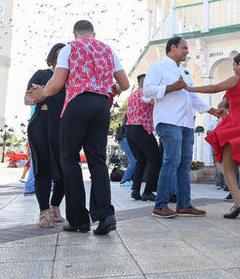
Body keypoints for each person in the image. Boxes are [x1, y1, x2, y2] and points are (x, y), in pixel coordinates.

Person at [26, 20, 130, 235]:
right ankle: (105, 215)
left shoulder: (70, 48)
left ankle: (78, 220)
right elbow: (125, 84)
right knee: (98, 160)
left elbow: (56, 85)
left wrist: (41, 94)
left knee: (70, 159)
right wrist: (113, 88)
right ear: (94, 34)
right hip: (102, 106)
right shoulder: (107, 49)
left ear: (75, 34)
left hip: (77, 103)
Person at [186, 51, 240, 219]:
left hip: (238, 121)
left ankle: (238, 204)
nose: (233, 68)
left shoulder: (237, 79)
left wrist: (189, 88)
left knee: (226, 164)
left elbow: (214, 88)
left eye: (234, 65)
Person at [143, 36, 225, 218]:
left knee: (184, 164)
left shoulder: (185, 72)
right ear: (172, 48)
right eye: (184, 48)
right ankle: (160, 205)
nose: (187, 51)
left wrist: (212, 110)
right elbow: (147, 91)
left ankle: (184, 204)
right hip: (169, 120)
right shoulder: (157, 67)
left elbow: (192, 97)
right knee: (172, 161)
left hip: (187, 122)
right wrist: (171, 87)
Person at [24, 43, 67, 228]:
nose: (60, 59)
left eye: (64, 56)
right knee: (44, 167)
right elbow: (28, 99)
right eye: (57, 56)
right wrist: (39, 98)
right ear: (52, 58)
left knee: (66, 168)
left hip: (64, 126)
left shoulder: (71, 79)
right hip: (42, 124)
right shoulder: (42, 74)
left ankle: (54, 206)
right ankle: (43, 212)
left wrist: (43, 95)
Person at [126, 74, 161, 202]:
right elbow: (154, 103)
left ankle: (135, 190)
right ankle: (148, 191)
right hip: (142, 128)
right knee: (155, 160)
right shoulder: (146, 93)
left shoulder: (132, 95)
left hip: (129, 129)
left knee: (140, 160)